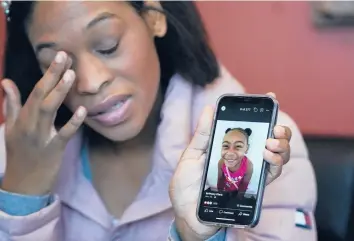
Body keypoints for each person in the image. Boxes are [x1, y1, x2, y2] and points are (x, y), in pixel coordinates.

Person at [0, 1, 317, 241]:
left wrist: (198, 236)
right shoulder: (12, 153)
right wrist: (21, 193)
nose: (89, 83)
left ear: (154, 16)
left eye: (108, 45)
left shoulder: (267, 147)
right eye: (58, 63)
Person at [217, 128, 253, 193]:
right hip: (226, 190)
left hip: (238, 191)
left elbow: (244, 185)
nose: (230, 153)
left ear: (247, 149)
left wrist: (238, 198)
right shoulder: (221, 162)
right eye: (226, 145)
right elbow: (220, 180)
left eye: (238, 146)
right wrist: (219, 195)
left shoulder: (248, 166)